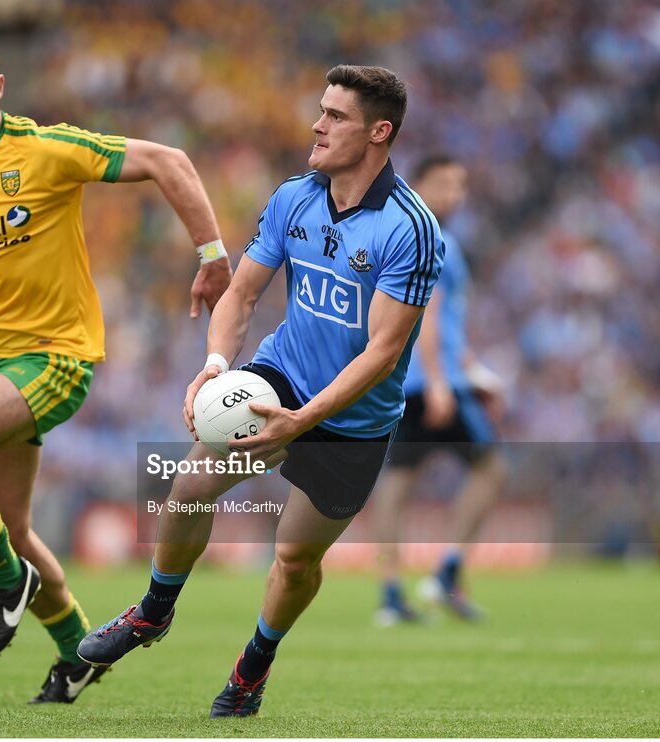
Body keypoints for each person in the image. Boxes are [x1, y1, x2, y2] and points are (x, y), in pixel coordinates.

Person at [78, 65, 444, 717]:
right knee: (189, 485)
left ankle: (252, 669)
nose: (317, 124)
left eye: (336, 116)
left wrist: (301, 422)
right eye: (320, 110)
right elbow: (242, 293)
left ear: (379, 131)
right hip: (278, 378)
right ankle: (152, 613)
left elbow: (383, 354)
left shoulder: (409, 227)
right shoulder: (294, 198)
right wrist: (217, 364)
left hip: (351, 418)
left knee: (296, 559)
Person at [0, 37, 231, 704]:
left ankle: (1, 582)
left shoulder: (46, 150)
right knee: (12, 529)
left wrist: (213, 252)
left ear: (1, 86)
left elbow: (169, 160)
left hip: (56, 356)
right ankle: (79, 652)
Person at [372, 155, 506, 625]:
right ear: (421, 185)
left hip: (407, 378)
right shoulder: (433, 238)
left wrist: (474, 369)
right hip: (431, 380)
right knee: (490, 469)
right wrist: (443, 381)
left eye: (460, 185)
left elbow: (444, 321)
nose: (456, 195)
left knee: (398, 484)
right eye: (445, 184)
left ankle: (391, 596)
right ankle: (447, 572)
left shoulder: (409, 234)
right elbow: (426, 313)